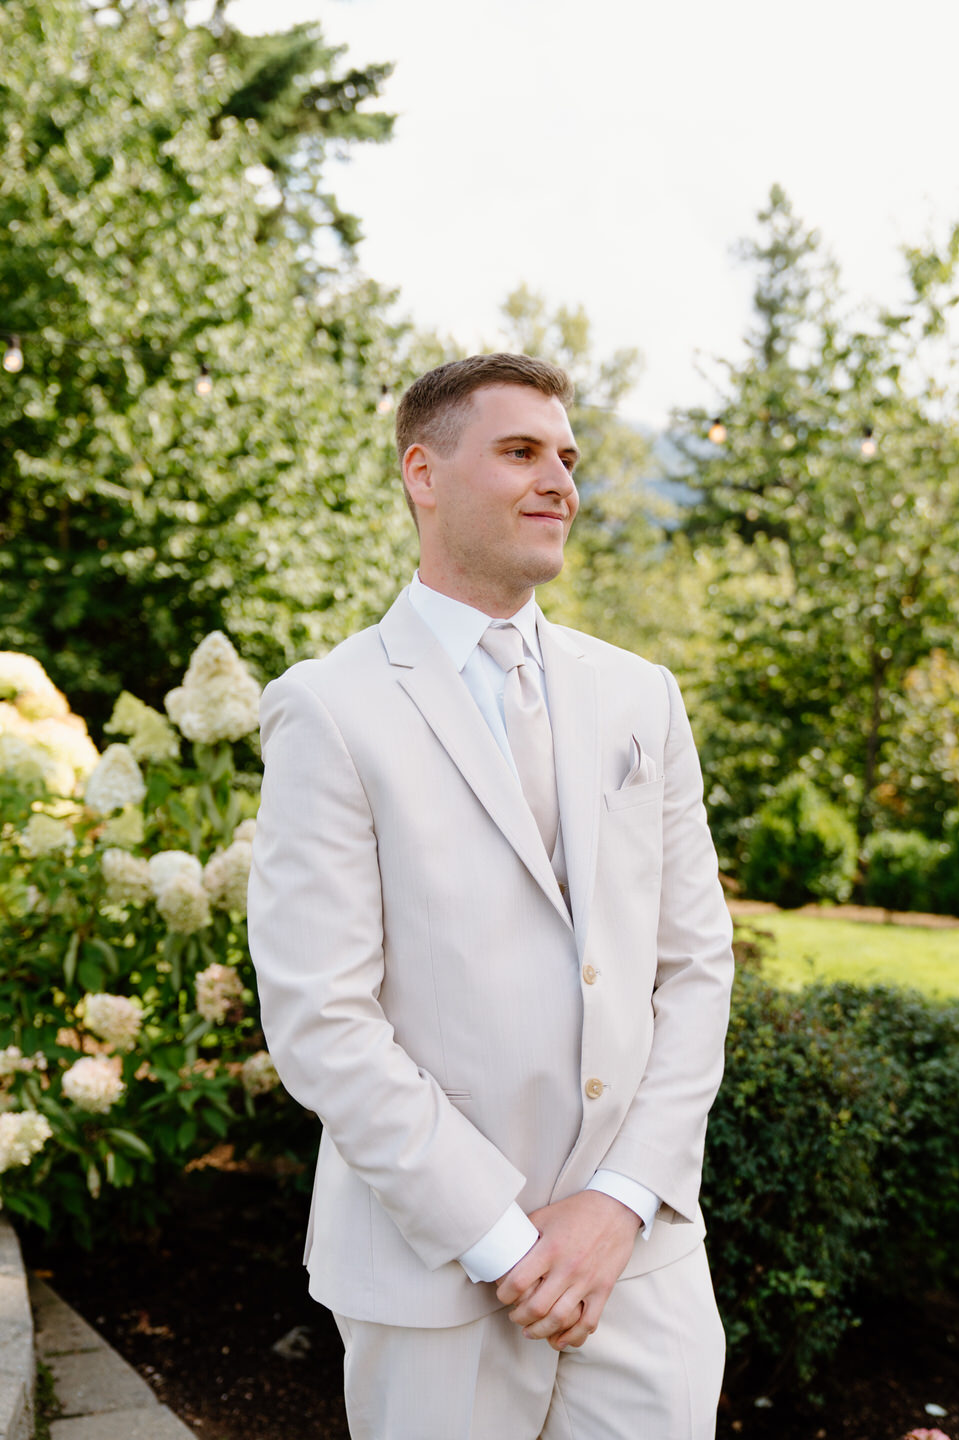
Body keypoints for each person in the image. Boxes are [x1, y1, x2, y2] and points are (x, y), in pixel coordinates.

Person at [247, 353, 734, 1440]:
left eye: (568, 456)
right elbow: (323, 1020)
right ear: (424, 472)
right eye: (521, 451)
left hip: (641, 1272)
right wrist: (509, 1244)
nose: (559, 478)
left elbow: (695, 969)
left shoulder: (641, 696)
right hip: (438, 1279)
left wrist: (616, 1204)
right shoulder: (328, 708)